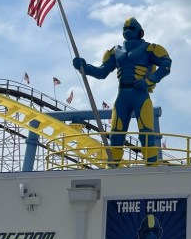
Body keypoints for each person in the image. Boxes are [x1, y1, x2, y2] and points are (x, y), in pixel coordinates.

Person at [72, 17, 171, 164]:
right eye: (125, 29)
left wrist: (150, 80)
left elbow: (166, 64)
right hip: (122, 95)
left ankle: (151, 166)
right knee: (116, 134)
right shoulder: (115, 51)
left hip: (140, 94)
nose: (127, 31)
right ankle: (113, 165)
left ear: (140, 32)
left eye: (131, 29)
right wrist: (84, 67)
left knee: (146, 133)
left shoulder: (150, 49)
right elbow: (102, 72)